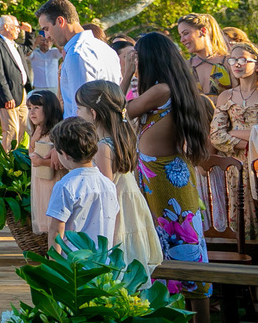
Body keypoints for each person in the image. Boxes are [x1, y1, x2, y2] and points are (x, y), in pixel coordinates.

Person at [125, 33, 212, 323]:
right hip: (162, 177)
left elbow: (120, 111)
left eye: (137, 57)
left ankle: (197, 317)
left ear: (150, 58)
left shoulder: (161, 89)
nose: (135, 62)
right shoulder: (168, 87)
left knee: (183, 249)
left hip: (164, 180)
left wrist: (126, 74)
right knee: (173, 248)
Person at [75, 81, 163, 275]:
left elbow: (105, 193)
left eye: (79, 108)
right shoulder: (122, 136)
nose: (76, 113)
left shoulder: (102, 147)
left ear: (93, 113)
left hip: (117, 213)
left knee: (118, 265)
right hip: (131, 207)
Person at [36, 0, 121, 118]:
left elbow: (82, 110)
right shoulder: (106, 49)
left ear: (60, 21)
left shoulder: (77, 54)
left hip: (85, 128)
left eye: (46, 29)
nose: (46, 36)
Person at [45, 117, 119, 252]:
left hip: (73, 261)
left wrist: (54, 262)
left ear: (65, 154)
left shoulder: (65, 186)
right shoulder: (108, 184)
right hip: (102, 259)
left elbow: (56, 229)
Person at [208, 41, 258, 239]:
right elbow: (216, 135)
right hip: (236, 166)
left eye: (243, 60)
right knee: (240, 211)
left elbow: (226, 132)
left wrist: (234, 132)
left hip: (257, 163)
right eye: (232, 60)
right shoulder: (226, 96)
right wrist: (251, 140)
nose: (236, 64)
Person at [0, 15, 33, 152]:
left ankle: (18, 158)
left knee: (23, 128)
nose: (18, 30)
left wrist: (29, 32)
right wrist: (7, 96)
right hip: (8, 96)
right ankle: (7, 161)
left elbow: (29, 47)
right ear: (6, 27)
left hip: (22, 93)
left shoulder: (16, 45)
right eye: (16, 27)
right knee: (11, 130)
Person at [26, 90, 65, 235]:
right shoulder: (37, 131)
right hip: (41, 182)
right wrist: (33, 141)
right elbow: (32, 154)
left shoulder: (55, 134)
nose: (32, 112)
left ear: (48, 108)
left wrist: (42, 162)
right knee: (46, 222)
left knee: (55, 223)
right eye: (29, 108)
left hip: (53, 182)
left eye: (36, 107)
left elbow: (61, 162)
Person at [177, 12, 232, 98]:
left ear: (203, 31)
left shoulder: (228, 62)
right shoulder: (185, 67)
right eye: (180, 35)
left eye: (185, 33)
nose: (182, 40)